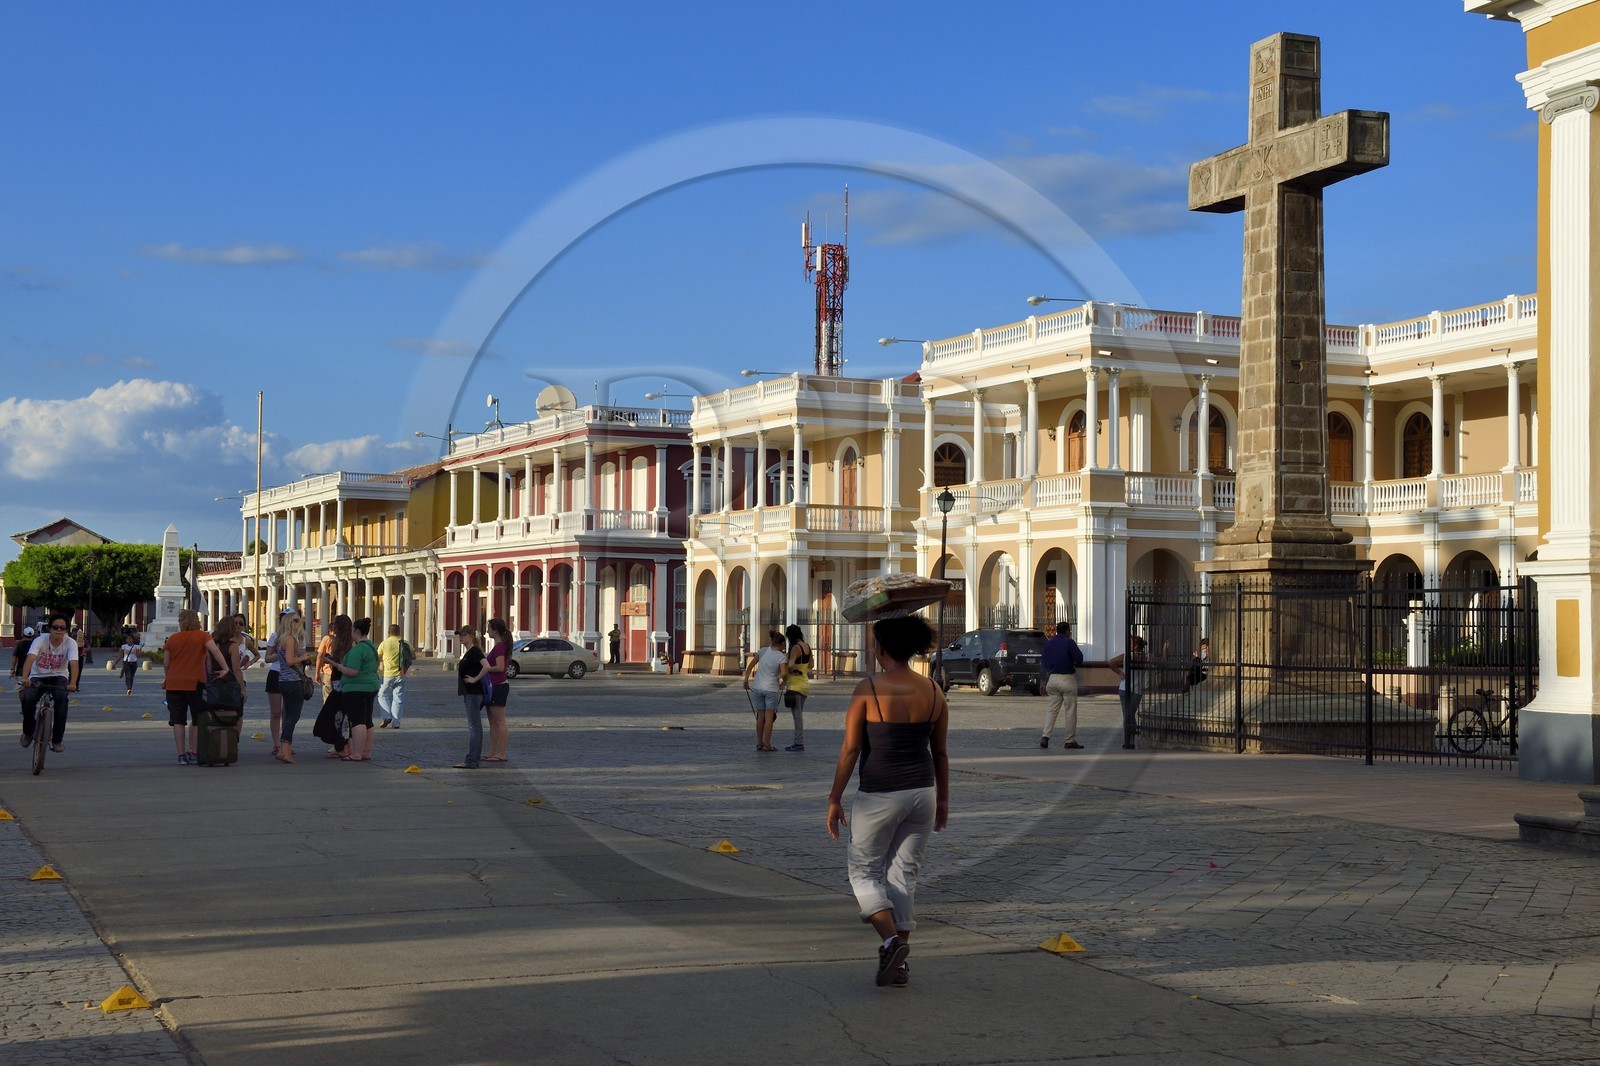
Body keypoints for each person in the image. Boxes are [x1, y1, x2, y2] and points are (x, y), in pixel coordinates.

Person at [826, 614, 950, 988]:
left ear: (881, 648)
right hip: (923, 792)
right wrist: (943, 799)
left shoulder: (869, 689)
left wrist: (834, 798)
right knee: (903, 877)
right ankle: (897, 964)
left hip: (880, 793)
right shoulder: (933, 690)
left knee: (863, 872)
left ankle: (892, 941)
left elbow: (851, 749)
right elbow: (941, 753)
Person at [162, 609, 227, 765]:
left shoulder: (172, 639)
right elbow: (215, 651)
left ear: (181, 622)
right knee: (198, 717)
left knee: (178, 720)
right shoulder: (203, 636)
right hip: (195, 683)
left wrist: (170, 676)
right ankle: (193, 750)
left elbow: (166, 663)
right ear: (196, 621)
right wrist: (225, 668)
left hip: (174, 683)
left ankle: (181, 755)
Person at [20, 614, 81, 753]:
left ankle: (57, 740)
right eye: (55, 627)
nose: (58, 630)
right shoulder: (40, 640)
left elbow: (74, 664)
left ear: (66, 630)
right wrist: (25, 678)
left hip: (59, 676)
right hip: (37, 676)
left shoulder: (70, 643)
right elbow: (30, 659)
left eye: (62, 628)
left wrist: (73, 683)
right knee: (28, 699)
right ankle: (28, 732)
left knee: (61, 700)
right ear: (50, 628)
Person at [324, 617, 380, 761]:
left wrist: (335, 664)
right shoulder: (372, 647)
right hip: (371, 686)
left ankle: (357, 753)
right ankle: (367, 752)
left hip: (356, 688)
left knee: (357, 721)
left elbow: (352, 671)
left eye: (352, 631)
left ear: (356, 631)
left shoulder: (358, 649)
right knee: (368, 721)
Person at [311, 615, 354, 757]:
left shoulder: (339, 643)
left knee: (332, 716)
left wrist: (331, 660)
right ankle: (344, 746)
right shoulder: (349, 643)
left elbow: (341, 663)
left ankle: (341, 747)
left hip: (338, 683)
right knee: (342, 716)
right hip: (343, 684)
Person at [1039, 621, 1086, 750]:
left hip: (1052, 679)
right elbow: (1079, 659)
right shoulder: (1069, 642)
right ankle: (1069, 740)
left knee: (1052, 710)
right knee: (1070, 711)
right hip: (1067, 679)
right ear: (1067, 631)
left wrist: (1042, 682)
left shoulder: (1049, 643)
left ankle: (1045, 736)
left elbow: (1043, 663)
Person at [272, 609, 310, 764]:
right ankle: (285, 749)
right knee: (293, 716)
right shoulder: (290, 640)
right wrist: (303, 657)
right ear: (288, 622)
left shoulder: (281, 639)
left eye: (299, 620)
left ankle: (282, 748)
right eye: (295, 620)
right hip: (293, 681)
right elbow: (289, 660)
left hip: (283, 680)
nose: (298, 623)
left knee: (288, 715)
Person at [743, 630, 787, 752]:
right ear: (782, 643)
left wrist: (746, 680)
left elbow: (750, 666)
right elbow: (784, 673)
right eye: (784, 644)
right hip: (771, 689)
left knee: (760, 715)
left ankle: (759, 743)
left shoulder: (762, 651)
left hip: (757, 687)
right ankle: (767, 743)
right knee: (769, 717)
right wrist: (784, 682)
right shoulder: (781, 657)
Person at [453, 627, 490, 769]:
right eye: (459, 635)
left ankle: (472, 760)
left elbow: (486, 666)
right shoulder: (469, 652)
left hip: (473, 693)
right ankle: (474, 757)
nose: (460, 637)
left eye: (463, 635)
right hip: (469, 692)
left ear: (471, 636)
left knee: (474, 727)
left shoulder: (474, 652)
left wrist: (475, 679)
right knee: (476, 727)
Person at [209, 615, 247, 739]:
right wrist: (242, 689)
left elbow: (209, 666)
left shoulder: (211, 644)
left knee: (215, 713)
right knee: (237, 712)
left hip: (214, 683)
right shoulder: (233, 646)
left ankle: (216, 741)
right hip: (230, 684)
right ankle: (232, 741)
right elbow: (236, 669)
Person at [1109, 634, 1148, 750]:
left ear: (1136, 646)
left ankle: (1130, 739)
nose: (1129, 645)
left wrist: (1119, 673)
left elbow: (1110, 662)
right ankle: (1131, 737)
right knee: (1130, 714)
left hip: (1125, 688)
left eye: (1131, 643)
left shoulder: (1127, 655)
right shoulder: (1144, 656)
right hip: (1136, 689)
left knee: (1128, 715)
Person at [482, 618, 512, 762]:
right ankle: (492, 752)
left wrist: (486, 668)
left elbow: (500, 668)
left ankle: (501, 753)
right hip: (493, 686)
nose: (486, 630)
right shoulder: (498, 646)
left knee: (500, 722)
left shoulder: (500, 646)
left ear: (495, 630)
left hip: (498, 686)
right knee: (493, 723)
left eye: (488, 628)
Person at [782, 624, 812, 752]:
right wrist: (802, 670)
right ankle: (798, 741)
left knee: (797, 715)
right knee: (799, 713)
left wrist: (793, 671)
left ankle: (799, 742)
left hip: (794, 685)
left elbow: (790, 666)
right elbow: (811, 664)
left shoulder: (795, 648)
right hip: (805, 684)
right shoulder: (807, 646)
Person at [376, 624, 409, 729]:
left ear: (389, 633)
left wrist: (375, 669)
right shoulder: (404, 643)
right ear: (399, 632)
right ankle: (396, 722)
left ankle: (386, 716)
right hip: (401, 673)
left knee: (382, 694)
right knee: (398, 698)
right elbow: (413, 656)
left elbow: (378, 657)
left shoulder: (384, 643)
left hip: (388, 674)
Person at [118, 627, 142, 696]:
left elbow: (139, 655)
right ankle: (128, 689)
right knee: (128, 676)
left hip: (134, 663)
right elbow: (120, 655)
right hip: (126, 663)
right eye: (128, 638)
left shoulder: (136, 646)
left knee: (131, 676)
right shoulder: (123, 646)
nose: (129, 640)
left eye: (130, 638)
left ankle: (130, 688)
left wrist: (139, 650)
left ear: (133, 639)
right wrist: (115, 663)